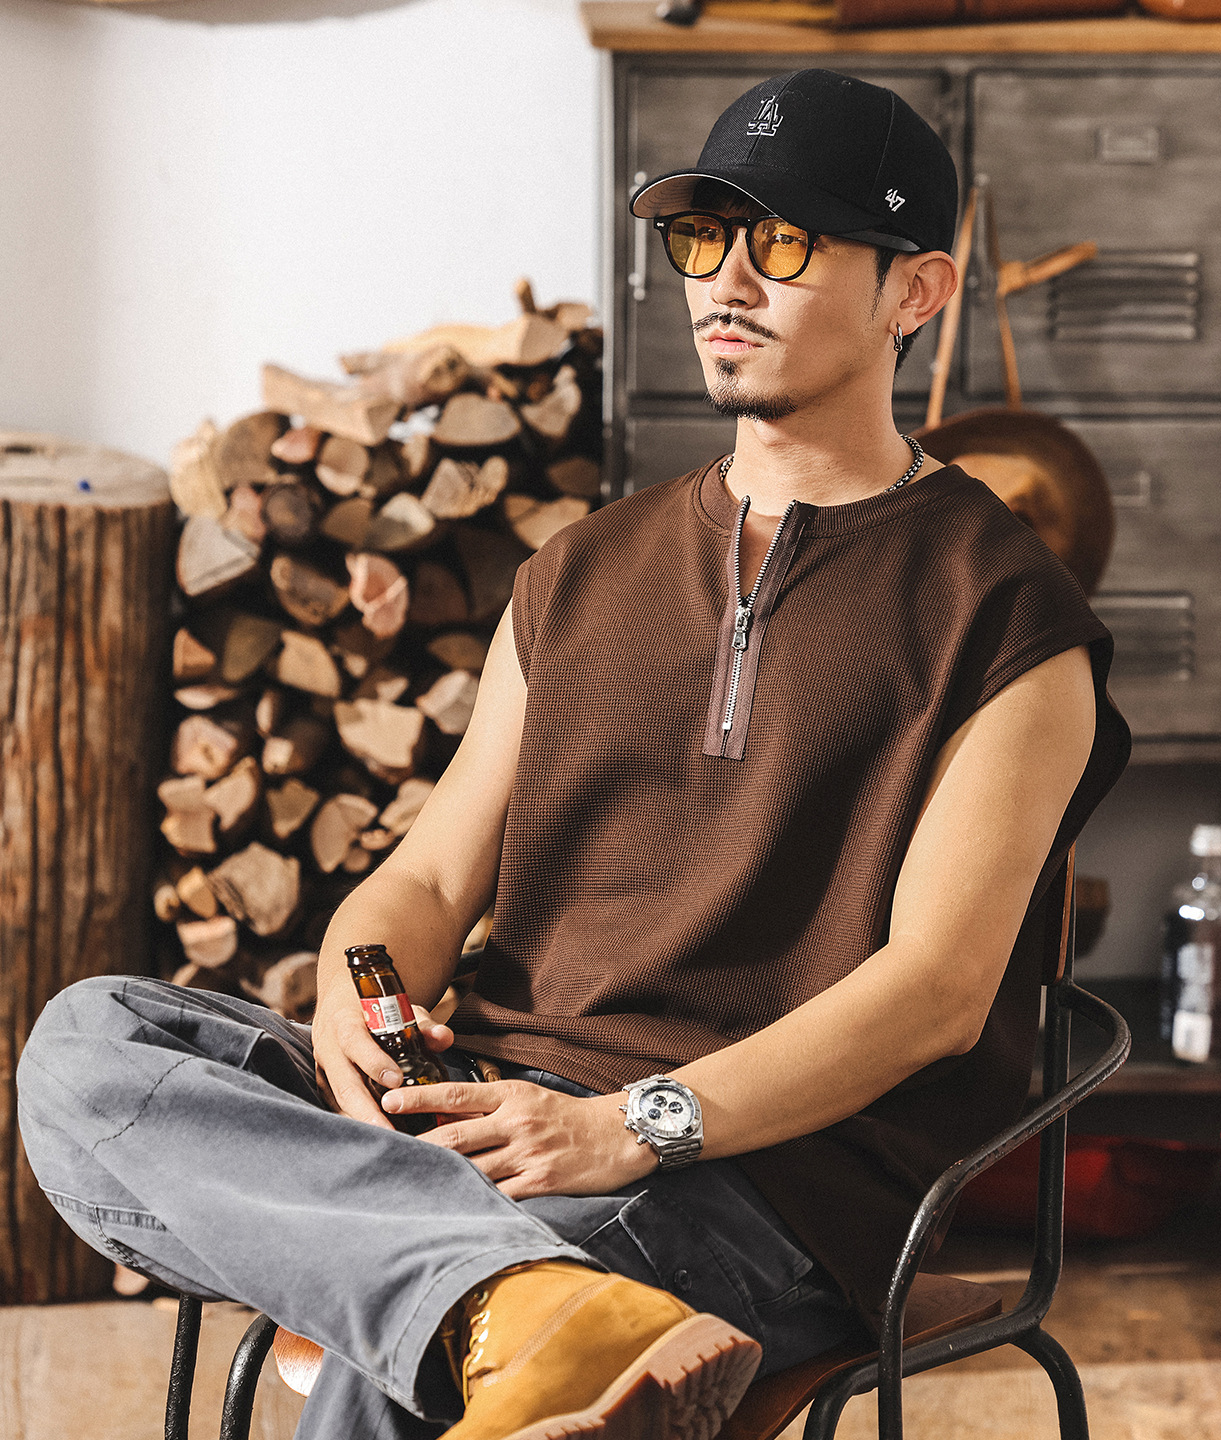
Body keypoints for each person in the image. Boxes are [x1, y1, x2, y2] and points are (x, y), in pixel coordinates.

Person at [17, 69, 1129, 1440]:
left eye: (786, 242)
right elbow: (429, 881)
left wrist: (629, 1126)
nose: (728, 281)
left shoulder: (1004, 613)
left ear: (917, 291)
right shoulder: (582, 571)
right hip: (489, 1112)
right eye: (704, 239)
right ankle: (509, 1298)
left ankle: (485, 1294)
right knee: (91, 1047)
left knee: (396, 1358)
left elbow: (936, 995)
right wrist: (357, 1004)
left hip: (755, 1174)